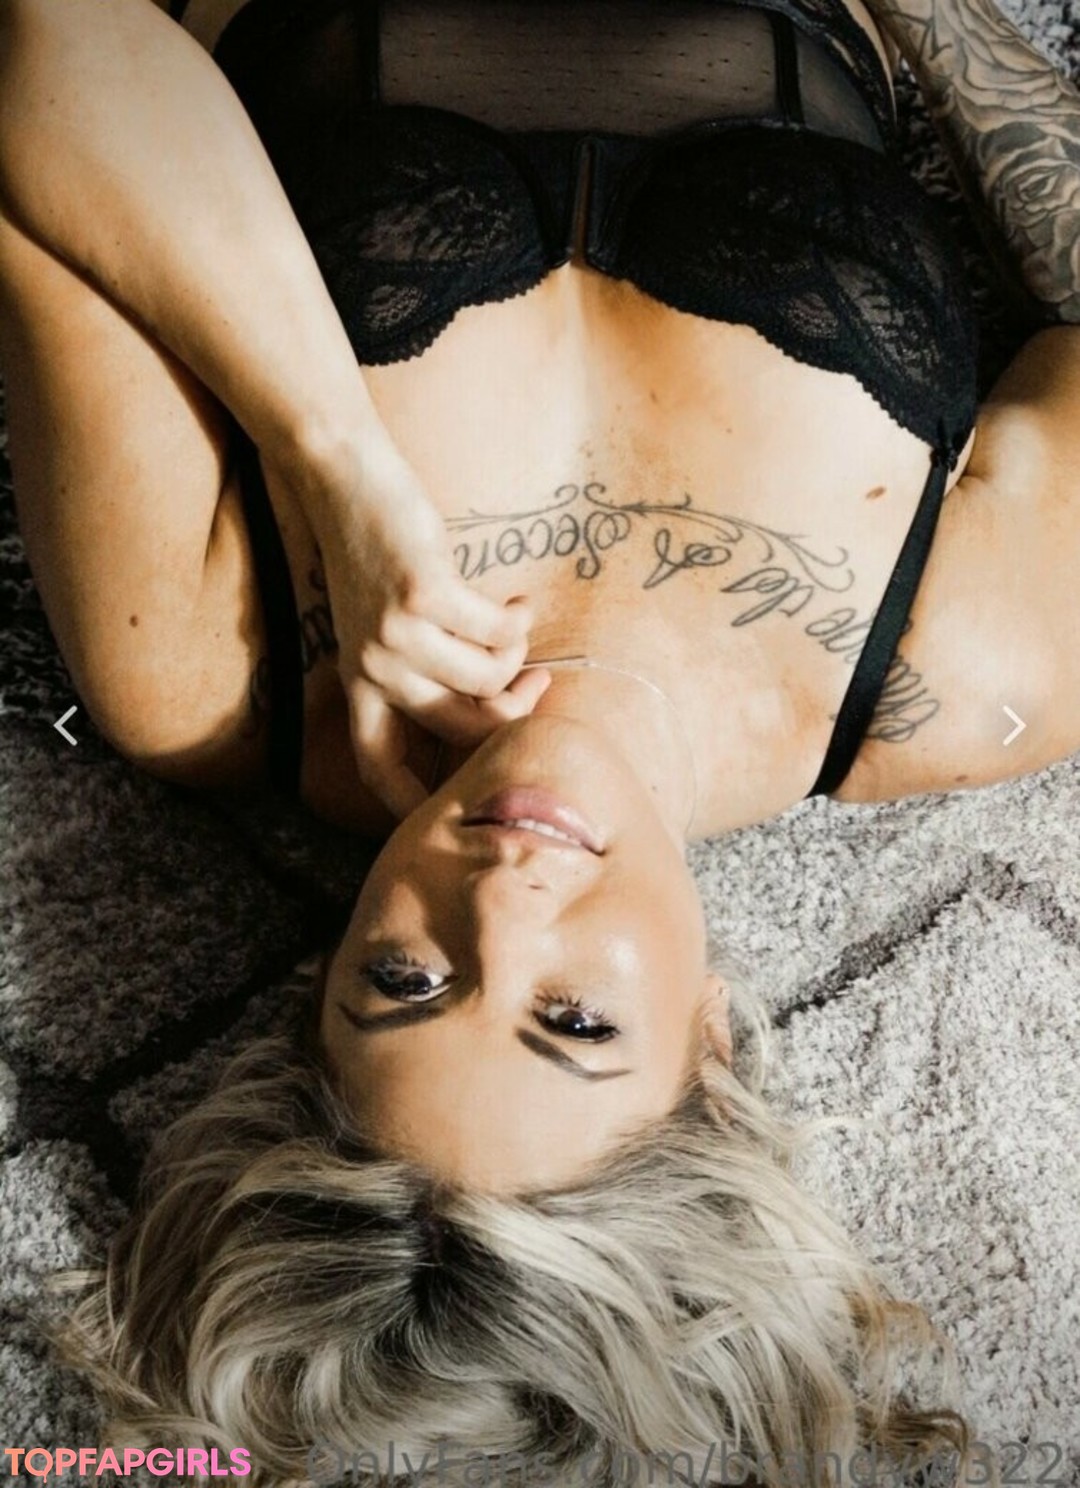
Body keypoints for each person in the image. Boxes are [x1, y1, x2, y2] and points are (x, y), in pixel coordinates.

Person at [3, 0, 1077, 1479]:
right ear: (714, 1049)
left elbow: (54, 44)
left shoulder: (207, 675)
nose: (500, 903)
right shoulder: (957, 678)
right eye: (574, 1021)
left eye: (404, 981)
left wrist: (335, 462)